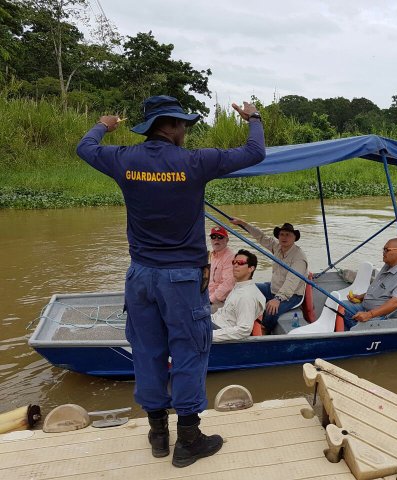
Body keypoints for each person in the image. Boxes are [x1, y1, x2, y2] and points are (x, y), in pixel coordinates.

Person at [76, 95, 265, 468]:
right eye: (184, 126)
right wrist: (253, 117)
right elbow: (254, 151)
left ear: (149, 128)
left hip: (140, 276)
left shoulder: (124, 160)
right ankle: (189, 440)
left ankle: (158, 434)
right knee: (190, 351)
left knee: (147, 352)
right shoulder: (195, 162)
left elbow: (85, 147)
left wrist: (104, 125)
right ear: (173, 126)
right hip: (181, 278)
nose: (185, 132)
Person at [230, 219, 308, 334]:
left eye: (288, 235)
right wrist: (243, 223)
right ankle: (243, 316)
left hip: (292, 295)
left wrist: (277, 299)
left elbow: (292, 281)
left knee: (272, 311)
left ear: (294, 238)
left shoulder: (299, 257)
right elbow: (260, 236)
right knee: (248, 288)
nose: (284, 237)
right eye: (282, 234)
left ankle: (264, 330)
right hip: (274, 288)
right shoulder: (277, 247)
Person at [344, 238, 397, 330]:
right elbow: (380, 289)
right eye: (383, 249)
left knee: (358, 325)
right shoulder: (389, 265)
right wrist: (361, 297)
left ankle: (352, 336)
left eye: (387, 250)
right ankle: (347, 333)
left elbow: (395, 303)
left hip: (389, 317)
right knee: (341, 307)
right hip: (369, 308)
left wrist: (369, 314)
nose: (383, 252)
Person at [212, 249, 266, 342]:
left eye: (240, 263)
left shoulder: (246, 296)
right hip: (214, 321)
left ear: (251, 268)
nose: (235, 265)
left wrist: (209, 335)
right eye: (234, 262)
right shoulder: (239, 286)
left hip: (218, 329)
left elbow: (244, 330)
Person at [208, 226, 235, 312]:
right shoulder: (210, 255)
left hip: (220, 301)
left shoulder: (231, 257)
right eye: (213, 237)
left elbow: (227, 285)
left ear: (227, 240)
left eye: (220, 237)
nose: (216, 240)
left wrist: (209, 300)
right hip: (206, 295)